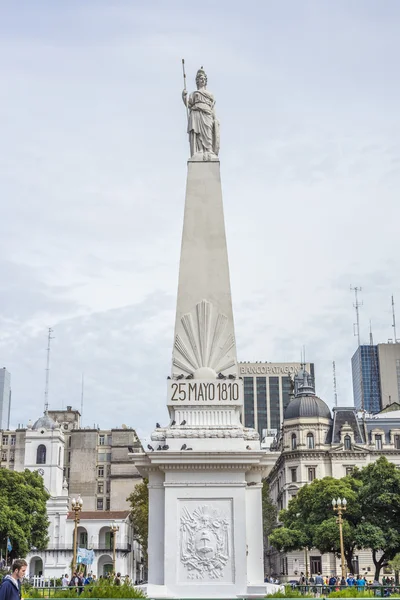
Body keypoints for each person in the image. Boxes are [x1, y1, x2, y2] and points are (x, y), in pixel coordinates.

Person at [182, 68, 220, 159]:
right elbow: (188, 104)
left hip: (207, 114)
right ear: (197, 81)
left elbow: (212, 108)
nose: (202, 80)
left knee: (208, 132)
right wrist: (183, 96)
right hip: (196, 114)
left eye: (203, 78)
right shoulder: (193, 94)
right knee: (198, 133)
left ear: (206, 81)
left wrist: (215, 119)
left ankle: (209, 150)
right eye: (200, 78)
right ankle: (200, 151)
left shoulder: (210, 94)